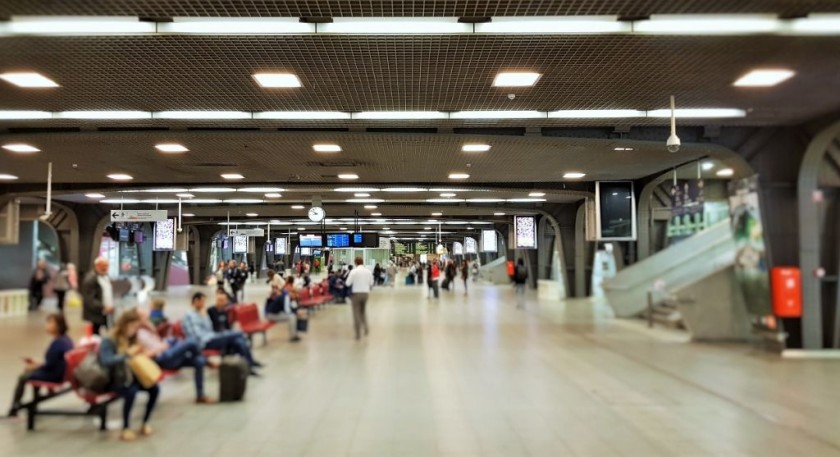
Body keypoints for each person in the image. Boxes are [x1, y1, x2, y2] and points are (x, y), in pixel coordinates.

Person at [99, 309, 160, 441]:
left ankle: (145, 422)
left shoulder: (133, 338)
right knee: (130, 392)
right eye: (133, 326)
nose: (134, 330)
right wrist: (125, 355)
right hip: (115, 378)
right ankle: (126, 427)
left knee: (154, 389)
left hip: (132, 376)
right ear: (125, 324)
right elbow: (106, 360)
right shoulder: (110, 339)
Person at [135, 312, 213, 404]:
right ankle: (206, 360)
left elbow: (159, 342)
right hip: (161, 359)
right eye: (143, 317)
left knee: (199, 361)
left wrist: (160, 339)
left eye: (146, 316)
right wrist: (161, 347)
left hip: (168, 354)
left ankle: (200, 396)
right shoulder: (137, 335)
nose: (147, 318)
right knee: (191, 342)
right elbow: (142, 355)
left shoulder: (148, 330)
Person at [8, 314, 73, 417]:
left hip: (55, 375)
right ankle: (34, 403)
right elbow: (54, 362)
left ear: (59, 325)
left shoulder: (59, 343)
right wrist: (37, 364)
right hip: (59, 372)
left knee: (23, 377)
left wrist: (35, 366)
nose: (46, 325)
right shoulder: (65, 340)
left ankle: (14, 408)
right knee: (31, 372)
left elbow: (50, 365)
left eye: (50, 323)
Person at [182, 292, 262, 376]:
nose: (204, 304)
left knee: (239, 342)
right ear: (196, 301)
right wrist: (212, 335)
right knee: (239, 334)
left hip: (212, 337)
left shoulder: (202, 313)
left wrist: (204, 316)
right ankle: (246, 345)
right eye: (202, 301)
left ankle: (249, 367)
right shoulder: (189, 315)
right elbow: (196, 334)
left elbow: (209, 328)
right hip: (204, 342)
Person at [82, 257, 116, 335]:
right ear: (97, 266)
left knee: (110, 332)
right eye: (103, 266)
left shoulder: (106, 277)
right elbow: (89, 299)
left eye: (107, 266)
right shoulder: (90, 279)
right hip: (96, 313)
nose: (106, 268)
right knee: (96, 334)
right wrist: (102, 307)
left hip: (107, 312)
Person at [345, 257, 374, 340]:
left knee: (356, 313)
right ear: (362, 262)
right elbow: (371, 283)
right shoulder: (368, 271)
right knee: (363, 311)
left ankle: (358, 334)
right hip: (365, 293)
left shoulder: (354, 271)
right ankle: (366, 328)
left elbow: (347, 283)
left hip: (356, 294)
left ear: (355, 263)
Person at [265, 278, 301, 342]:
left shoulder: (286, 296)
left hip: (276, 312)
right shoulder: (285, 297)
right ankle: (293, 336)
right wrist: (294, 312)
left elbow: (289, 307)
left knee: (293, 316)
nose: (294, 297)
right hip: (271, 314)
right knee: (292, 317)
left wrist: (295, 311)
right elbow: (287, 310)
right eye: (294, 295)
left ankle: (294, 334)